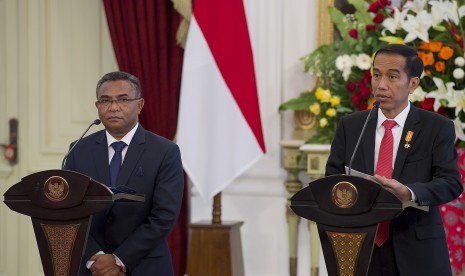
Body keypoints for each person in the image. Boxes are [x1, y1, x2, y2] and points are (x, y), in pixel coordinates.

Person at [326, 44, 464, 275]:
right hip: (360, 249)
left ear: (413, 84)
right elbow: (332, 179)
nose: (381, 85)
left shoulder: (436, 128)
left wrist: (409, 193)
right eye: (376, 75)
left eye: (392, 77)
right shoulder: (352, 126)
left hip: (417, 251)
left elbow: (451, 183)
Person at [64, 71, 184, 276]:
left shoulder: (165, 151)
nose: (113, 107)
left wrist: (119, 260)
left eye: (123, 99)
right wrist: (96, 258)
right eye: (105, 100)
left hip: (145, 265)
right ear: (97, 106)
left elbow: (164, 216)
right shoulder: (78, 150)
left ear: (140, 104)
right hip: (91, 267)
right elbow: (67, 210)